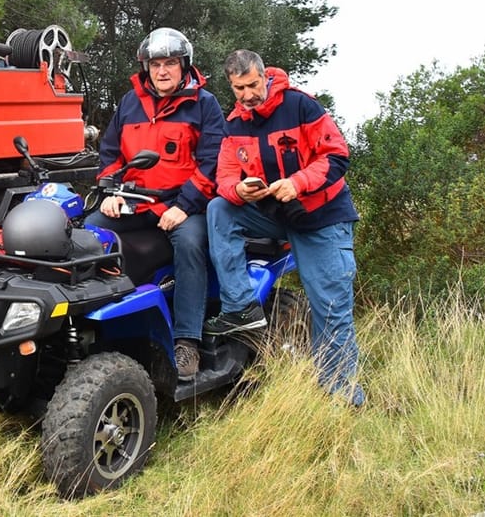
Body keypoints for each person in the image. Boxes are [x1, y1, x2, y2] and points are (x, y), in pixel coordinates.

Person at [203, 49, 364, 406]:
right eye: (238, 88)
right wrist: (239, 191)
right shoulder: (235, 123)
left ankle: (340, 397)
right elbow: (224, 178)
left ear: (265, 76)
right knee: (220, 209)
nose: (247, 95)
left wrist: (299, 183)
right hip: (274, 215)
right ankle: (241, 307)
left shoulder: (301, 106)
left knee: (330, 307)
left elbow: (337, 156)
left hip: (321, 218)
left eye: (252, 85)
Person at [84, 28, 226, 380]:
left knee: (192, 246)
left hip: (183, 204)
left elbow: (213, 162)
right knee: (88, 233)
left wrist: (186, 205)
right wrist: (112, 192)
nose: (162, 71)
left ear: (184, 66)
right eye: (156, 64)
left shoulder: (204, 105)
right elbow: (110, 154)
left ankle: (187, 340)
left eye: (170, 64)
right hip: (134, 201)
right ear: (147, 67)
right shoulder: (129, 103)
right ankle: (90, 324)